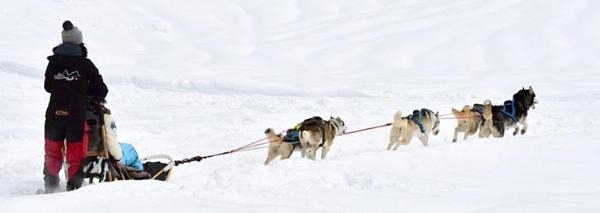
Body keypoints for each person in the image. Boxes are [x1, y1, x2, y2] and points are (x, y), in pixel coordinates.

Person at [43, 20, 108, 192]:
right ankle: (73, 191)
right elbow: (101, 90)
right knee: (76, 155)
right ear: (80, 42)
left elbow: (48, 86)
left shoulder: (53, 63)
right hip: (76, 117)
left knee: (52, 152)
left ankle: (50, 187)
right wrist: (86, 93)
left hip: (54, 116)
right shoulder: (85, 64)